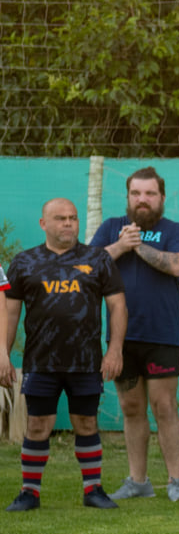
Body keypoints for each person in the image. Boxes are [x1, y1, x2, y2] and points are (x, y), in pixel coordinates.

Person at [1, 198, 126, 511]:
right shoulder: (24, 262)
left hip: (85, 362)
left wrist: (114, 349)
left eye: (72, 218)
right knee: (37, 426)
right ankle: (29, 493)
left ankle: (93, 490)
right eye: (60, 218)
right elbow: (10, 314)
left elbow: (118, 306)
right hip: (40, 362)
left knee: (86, 423)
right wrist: (2, 354)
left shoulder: (98, 260)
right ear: (44, 224)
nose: (68, 223)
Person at [92, 168, 179, 502]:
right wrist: (122, 245)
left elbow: (178, 265)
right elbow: (89, 265)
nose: (143, 200)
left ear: (161, 198)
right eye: (136, 193)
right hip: (122, 338)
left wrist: (139, 249)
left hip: (163, 335)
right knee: (131, 407)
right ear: (128, 197)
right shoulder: (111, 228)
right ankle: (138, 481)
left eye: (150, 194)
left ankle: (175, 482)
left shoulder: (176, 231)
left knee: (164, 405)